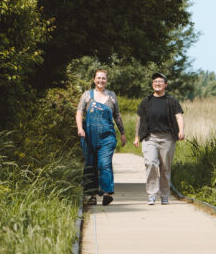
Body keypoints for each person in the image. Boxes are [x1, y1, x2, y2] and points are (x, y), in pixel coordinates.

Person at [133, 72, 185, 205]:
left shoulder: (172, 101)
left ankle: (164, 195)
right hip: (150, 137)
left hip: (167, 137)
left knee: (165, 168)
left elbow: (179, 116)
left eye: (160, 81)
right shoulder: (146, 101)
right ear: (152, 84)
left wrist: (181, 131)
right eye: (155, 81)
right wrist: (136, 136)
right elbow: (139, 119)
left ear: (165, 85)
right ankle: (151, 194)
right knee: (150, 163)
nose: (158, 83)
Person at [76, 69, 126, 206]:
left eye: (103, 78)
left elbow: (117, 116)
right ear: (94, 79)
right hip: (88, 135)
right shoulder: (87, 95)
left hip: (107, 136)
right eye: (98, 78)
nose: (101, 81)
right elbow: (79, 113)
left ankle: (106, 193)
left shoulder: (112, 96)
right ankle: (91, 195)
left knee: (104, 163)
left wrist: (122, 133)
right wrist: (80, 128)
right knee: (90, 165)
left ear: (106, 80)